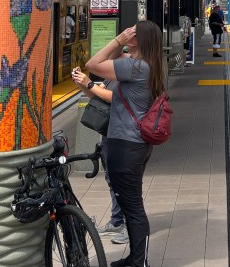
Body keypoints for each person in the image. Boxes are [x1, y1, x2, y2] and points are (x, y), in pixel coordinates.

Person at [86, 21, 168, 267]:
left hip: (126, 144)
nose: (127, 34)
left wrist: (119, 39)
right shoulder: (148, 65)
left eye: (133, 33)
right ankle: (134, 258)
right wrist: (121, 44)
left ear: (138, 41)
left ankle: (138, 262)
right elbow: (105, 64)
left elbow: (92, 65)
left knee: (132, 207)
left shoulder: (136, 67)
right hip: (135, 144)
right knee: (131, 203)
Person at [71, 65, 128, 245]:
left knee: (124, 182)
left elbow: (116, 99)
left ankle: (129, 226)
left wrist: (89, 84)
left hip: (123, 134)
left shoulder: (130, 74)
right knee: (112, 179)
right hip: (109, 132)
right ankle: (117, 221)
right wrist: (83, 84)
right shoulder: (113, 76)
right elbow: (98, 96)